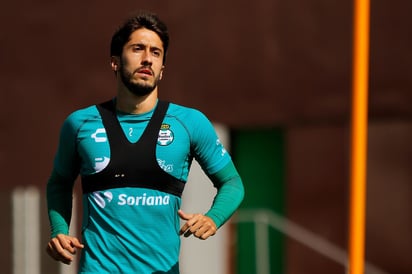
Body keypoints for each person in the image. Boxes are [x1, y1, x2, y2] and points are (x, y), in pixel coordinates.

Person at [45, 11, 245, 274]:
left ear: (162, 70)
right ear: (115, 62)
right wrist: (60, 230)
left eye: (156, 52)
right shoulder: (79, 123)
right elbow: (60, 181)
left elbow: (232, 183)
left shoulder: (190, 122)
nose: (147, 59)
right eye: (138, 48)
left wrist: (213, 218)